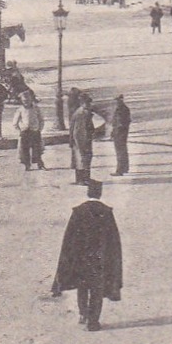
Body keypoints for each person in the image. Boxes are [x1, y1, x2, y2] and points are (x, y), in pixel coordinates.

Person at [50, 180, 123, 331]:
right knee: (97, 288)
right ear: (100, 193)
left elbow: (69, 238)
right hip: (99, 258)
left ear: (88, 193)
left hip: (81, 257)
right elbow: (113, 240)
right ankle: (93, 321)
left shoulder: (78, 211)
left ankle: (83, 313)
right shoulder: (107, 212)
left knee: (82, 286)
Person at [70, 92, 99, 185]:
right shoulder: (81, 113)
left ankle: (86, 179)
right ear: (82, 103)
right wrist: (81, 145)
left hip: (85, 139)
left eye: (89, 103)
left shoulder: (85, 112)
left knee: (85, 159)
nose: (89, 104)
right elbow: (78, 131)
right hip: (81, 141)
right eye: (87, 103)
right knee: (81, 159)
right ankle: (81, 180)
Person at [15, 90, 46, 170]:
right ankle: (27, 165)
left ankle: (40, 163)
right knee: (25, 149)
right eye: (24, 101)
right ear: (21, 101)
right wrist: (20, 130)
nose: (26, 102)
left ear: (31, 99)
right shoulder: (20, 110)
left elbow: (41, 119)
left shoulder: (36, 108)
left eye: (28, 100)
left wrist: (39, 128)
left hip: (35, 131)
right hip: (25, 131)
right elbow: (15, 122)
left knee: (37, 148)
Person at [110, 95, 132, 175]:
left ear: (121, 100)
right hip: (121, 132)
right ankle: (125, 168)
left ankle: (120, 170)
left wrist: (116, 131)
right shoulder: (122, 109)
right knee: (123, 150)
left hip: (120, 133)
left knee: (120, 151)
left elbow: (120, 123)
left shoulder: (122, 109)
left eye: (118, 100)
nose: (116, 102)